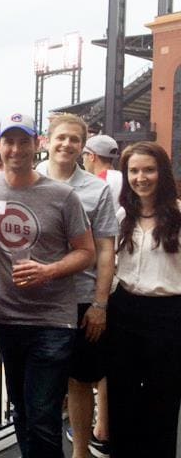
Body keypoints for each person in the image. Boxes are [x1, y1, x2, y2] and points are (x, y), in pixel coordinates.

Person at [0, 113, 95, 458]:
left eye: (23, 142)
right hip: (8, 317)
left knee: (42, 414)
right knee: (22, 410)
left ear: (36, 145)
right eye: (9, 142)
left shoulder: (62, 195)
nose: (15, 149)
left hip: (53, 320)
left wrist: (49, 270)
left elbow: (87, 252)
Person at [36, 114, 118, 458]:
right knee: (44, 386)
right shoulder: (30, 178)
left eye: (74, 139)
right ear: (48, 140)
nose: (66, 144)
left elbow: (105, 250)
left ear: (83, 146)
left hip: (82, 298)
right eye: (61, 138)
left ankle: (81, 451)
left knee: (81, 382)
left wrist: (100, 305)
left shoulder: (96, 189)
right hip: (39, 300)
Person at [107, 141, 181, 458]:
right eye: (134, 171)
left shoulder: (178, 215)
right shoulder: (123, 214)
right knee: (122, 397)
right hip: (125, 310)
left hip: (169, 314)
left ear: (162, 173)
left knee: (162, 399)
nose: (141, 177)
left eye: (148, 170)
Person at [81, 134, 122, 212]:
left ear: (91, 156)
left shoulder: (97, 183)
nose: (83, 163)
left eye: (83, 157)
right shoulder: (123, 177)